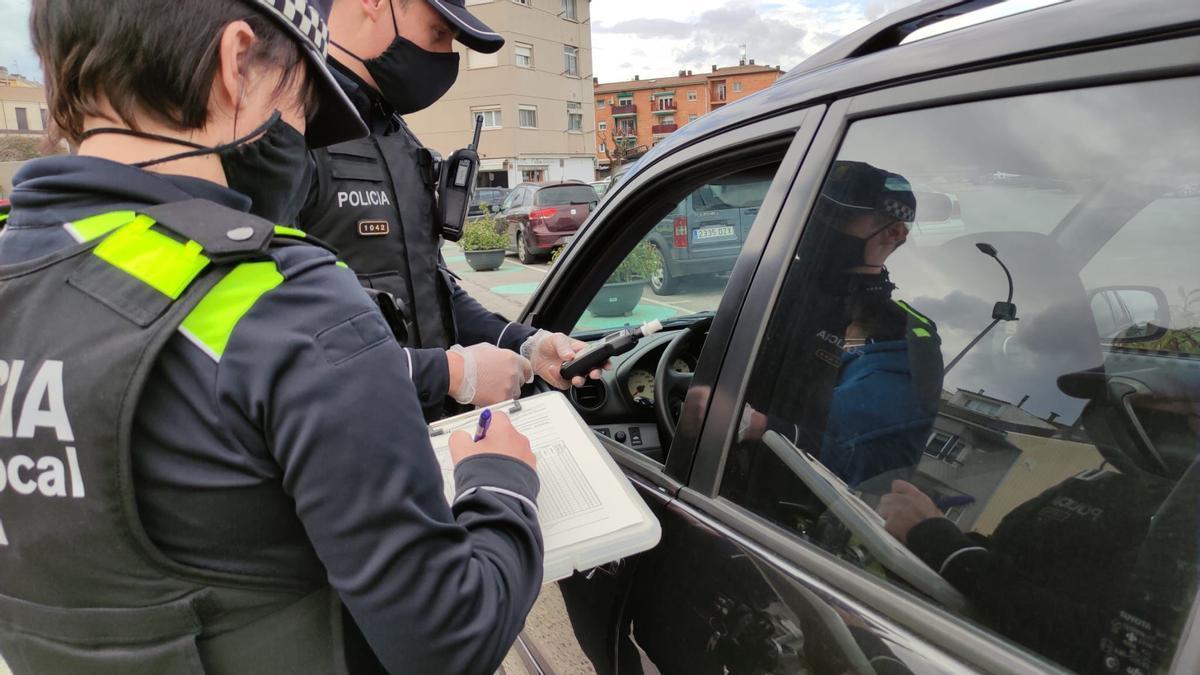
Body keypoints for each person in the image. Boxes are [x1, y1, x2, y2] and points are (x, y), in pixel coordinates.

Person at [0, 1, 541, 673]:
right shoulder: (286, 300)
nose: (301, 135)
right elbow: (450, 639)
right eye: (299, 105)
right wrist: (502, 483)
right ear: (236, 63)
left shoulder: (18, 275)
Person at [300, 0, 600, 420]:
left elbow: (434, 289)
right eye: (439, 33)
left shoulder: (397, 137)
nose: (446, 58)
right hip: (339, 448)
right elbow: (276, 347)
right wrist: (450, 373)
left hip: (422, 439)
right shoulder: (291, 129)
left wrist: (525, 344)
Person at [737, 161, 943, 492]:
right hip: (721, 474)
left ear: (895, 233)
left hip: (789, 513)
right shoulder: (772, 284)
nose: (819, 224)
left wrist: (765, 428)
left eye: (838, 217)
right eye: (817, 211)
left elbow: (870, 460)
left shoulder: (898, 336)